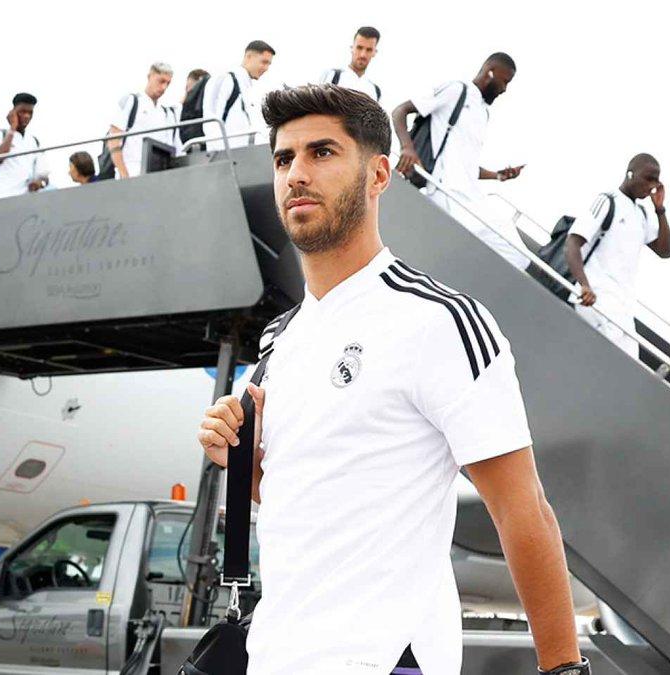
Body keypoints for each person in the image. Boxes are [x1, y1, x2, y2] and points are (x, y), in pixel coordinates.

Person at [197, 84, 586, 675]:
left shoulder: (439, 319)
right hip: (276, 654)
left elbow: (522, 508)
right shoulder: (279, 338)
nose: (297, 173)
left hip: (387, 660)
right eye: (284, 158)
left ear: (378, 175)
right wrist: (241, 460)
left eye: (322, 152)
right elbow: (301, 497)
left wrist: (563, 669)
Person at [392, 53, 529, 270]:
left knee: (520, 257)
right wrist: (407, 148)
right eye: (505, 81)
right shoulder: (457, 90)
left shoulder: (483, 113)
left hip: (470, 198)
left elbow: (466, 164)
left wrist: (497, 175)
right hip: (445, 192)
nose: (504, 89)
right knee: (512, 253)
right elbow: (400, 111)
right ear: (490, 72)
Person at [566, 154, 670, 358]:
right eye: (648, 178)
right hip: (596, 299)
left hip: (623, 308)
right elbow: (572, 243)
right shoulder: (608, 201)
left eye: (656, 181)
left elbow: (665, 251)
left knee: (630, 365)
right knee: (602, 359)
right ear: (631, 174)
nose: (652, 186)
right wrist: (584, 285)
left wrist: (660, 209)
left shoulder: (642, 214)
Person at [105, 62, 177, 179]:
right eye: (161, 81)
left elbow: (175, 148)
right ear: (150, 77)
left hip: (161, 176)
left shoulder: (167, 113)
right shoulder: (132, 101)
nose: (164, 87)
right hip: (132, 172)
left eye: (167, 83)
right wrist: (124, 174)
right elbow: (113, 139)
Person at [202, 40, 275, 150]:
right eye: (264, 62)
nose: (266, 68)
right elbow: (211, 120)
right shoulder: (225, 79)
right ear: (249, 57)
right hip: (227, 155)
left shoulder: (248, 88)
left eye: (269, 64)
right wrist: (222, 154)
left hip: (244, 153)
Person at [0, 92, 49, 199]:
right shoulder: (0, 133)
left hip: (26, 199)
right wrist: (13, 127)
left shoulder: (34, 141)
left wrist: (40, 183)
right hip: (2, 196)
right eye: (22, 112)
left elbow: (44, 177)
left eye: (30, 113)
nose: (27, 116)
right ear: (13, 112)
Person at [318, 26, 383, 102]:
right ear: (352, 48)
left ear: (375, 52)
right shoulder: (332, 76)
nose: (363, 54)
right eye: (359, 48)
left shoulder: (375, 91)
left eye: (369, 50)